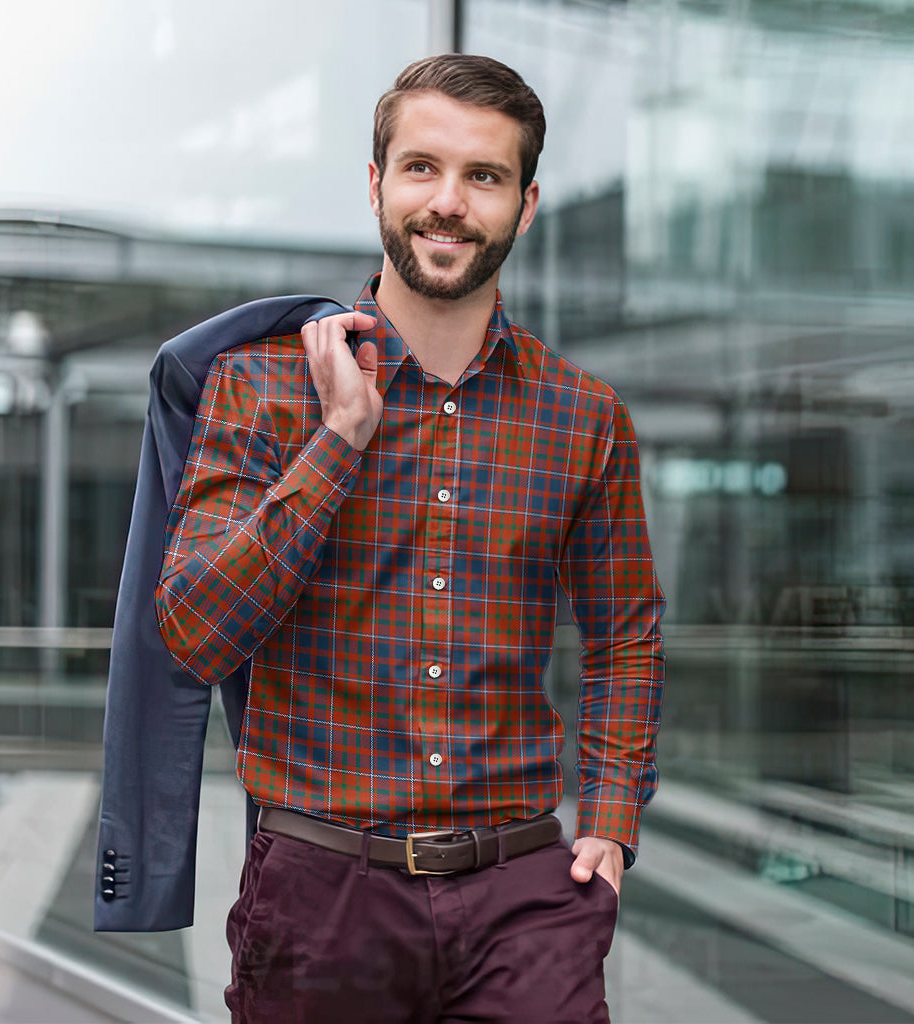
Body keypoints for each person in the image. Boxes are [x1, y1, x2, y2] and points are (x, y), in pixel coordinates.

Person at [155, 53, 665, 1024]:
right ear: (376, 182)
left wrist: (607, 820)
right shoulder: (259, 387)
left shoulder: (583, 417)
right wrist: (341, 437)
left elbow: (625, 634)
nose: (449, 202)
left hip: (525, 897)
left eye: (485, 176)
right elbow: (193, 632)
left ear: (526, 202)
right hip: (322, 896)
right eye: (422, 167)